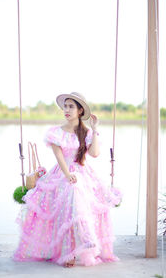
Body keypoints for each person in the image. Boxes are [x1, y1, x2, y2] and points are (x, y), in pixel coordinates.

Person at [13, 92, 119, 267]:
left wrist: (95, 129)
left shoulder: (86, 132)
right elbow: (59, 157)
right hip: (62, 173)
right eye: (65, 106)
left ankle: (85, 240)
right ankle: (70, 251)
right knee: (71, 192)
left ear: (80, 110)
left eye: (71, 106)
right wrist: (68, 175)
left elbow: (94, 154)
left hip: (82, 172)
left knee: (78, 194)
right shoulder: (55, 132)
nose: (67, 110)